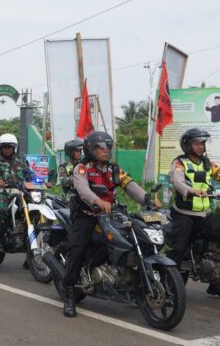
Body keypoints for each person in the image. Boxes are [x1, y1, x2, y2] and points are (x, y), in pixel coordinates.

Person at [62, 131, 149, 317]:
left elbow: (130, 186)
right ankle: (69, 293)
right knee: (77, 249)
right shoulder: (82, 168)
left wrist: (147, 199)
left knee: (131, 240)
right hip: (87, 215)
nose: (105, 151)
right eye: (100, 147)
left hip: (111, 214)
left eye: (108, 147)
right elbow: (83, 190)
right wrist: (97, 201)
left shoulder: (114, 170)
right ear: (90, 149)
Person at [166, 128, 220, 300]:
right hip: (184, 213)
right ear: (187, 145)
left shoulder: (208, 163)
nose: (201, 147)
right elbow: (177, 182)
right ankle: (169, 286)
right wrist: (190, 190)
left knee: (218, 242)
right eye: (197, 143)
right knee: (179, 248)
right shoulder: (180, 163)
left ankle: (215, 284)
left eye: (202, 143)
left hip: (205, 213)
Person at [0, 133, 29, 252]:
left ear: (14, 148)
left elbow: (30, 174)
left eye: (9, 147)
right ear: (0, 148)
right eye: (4, 147)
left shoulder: (21, 161)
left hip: (20, 194)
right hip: (2, 193)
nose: (7, 149)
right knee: (1, 208)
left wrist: (42, 181)